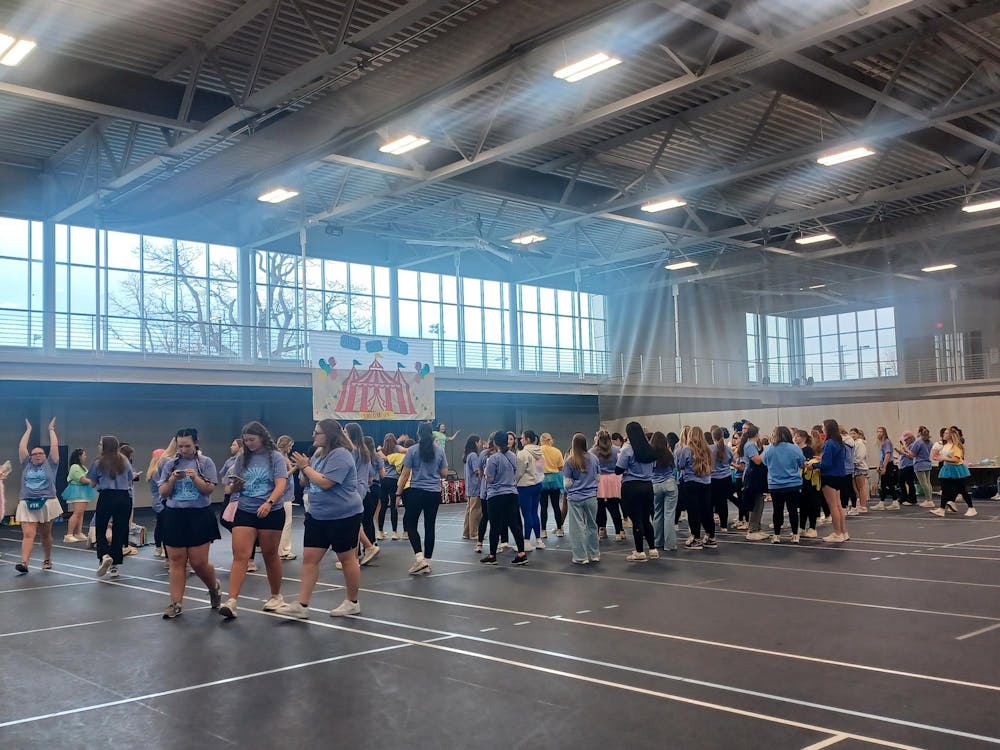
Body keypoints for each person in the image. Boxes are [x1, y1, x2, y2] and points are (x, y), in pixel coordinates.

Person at [278, 419, 365, 619]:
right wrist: (304, 471)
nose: (313, 435)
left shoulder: (341, 455)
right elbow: (306, 481)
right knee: (309, 559)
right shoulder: (318, 454)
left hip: (343, 515)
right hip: (317, 514)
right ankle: (302, 604)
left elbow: (326, 483)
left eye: (317, 432)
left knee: (347, 559)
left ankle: (352, 602)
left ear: (330, 435)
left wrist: (306, 467)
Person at [219, 421, 288, 620]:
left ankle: (276, 596)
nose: (248, 443)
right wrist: (234, 486)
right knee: (240, 555)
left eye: (252, 440)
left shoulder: (275, 457)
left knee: (270, 554)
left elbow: (280, 484)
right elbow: (230, 485)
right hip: (245, 510)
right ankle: (232, 600)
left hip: (271, 511)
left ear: (262, 437)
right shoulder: (242, 457)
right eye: (246, 440)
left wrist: (269, 502)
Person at [155, 428, 223, 618]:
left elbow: (208, 490)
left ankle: (214, 587)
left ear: (196, 444)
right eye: (180, 446)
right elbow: (163, 492)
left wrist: (195, 478)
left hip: (199, 515)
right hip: (174, 515)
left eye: (187, 446)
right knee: (176, 561)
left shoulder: (205, 462)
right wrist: (172, 479)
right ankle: (176, 603)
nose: (184, 450)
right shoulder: (169, 464)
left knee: (198, 562)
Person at [398, 422, 448, 575]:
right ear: (432, 433)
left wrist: (398, 493)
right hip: (433, 493)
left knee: (410, 523)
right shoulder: (439, 450)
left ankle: (420, 558)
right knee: (430, 526)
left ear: (418, 434)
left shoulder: (412, 450)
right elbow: (444, 473)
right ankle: (427, 561)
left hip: (417, 492)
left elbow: (405, 474)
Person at [14, 418, 60, 574]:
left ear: (45, 456)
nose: (38, 455)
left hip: (47, 502)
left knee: (45, 534)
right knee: (28, 534)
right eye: (34, 454)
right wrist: (28, 430)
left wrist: (51, 430)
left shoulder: (51, 464)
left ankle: (47, 559)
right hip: (27, 502)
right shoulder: (26, 464)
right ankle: (24, 563)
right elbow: (22, 447)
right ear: (30, 456)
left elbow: (54, 446)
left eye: (41, 453)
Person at [87, 435, 135, 579]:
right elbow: (130, 479)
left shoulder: (98, 462)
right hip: (124, 497)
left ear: (105, 446)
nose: (98, 446)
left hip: (107, 496)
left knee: (100, 528)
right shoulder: (124, 461)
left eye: (100, 444)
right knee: (119, 530)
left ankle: (104, 555)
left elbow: (92, 483)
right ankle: (115, 566)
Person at [480, 430, 527, 566]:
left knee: (495, 526)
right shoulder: (513, 456)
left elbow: (490, 478)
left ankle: (492, 555)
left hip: (496, 495)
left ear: (495, 442)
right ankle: (522, 553)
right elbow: (517, 473)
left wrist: (486, 474)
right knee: (514, 524)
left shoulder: (493, 459)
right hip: (512, 493)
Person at [615, 421, 657, 560]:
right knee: (646, 519)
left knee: (636, 519)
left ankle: (639, 551)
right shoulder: (650, 449)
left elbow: (618, 470)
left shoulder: (627, 450)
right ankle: (653, 549)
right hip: (648, 486)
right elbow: (654, 467)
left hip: (631, 487)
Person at [762, 426, 806, 543]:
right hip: (792, 484)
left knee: (777, 510)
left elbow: (765, 462)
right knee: (793, 510)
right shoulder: (795, 448)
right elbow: (802, 462)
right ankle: (795, 535)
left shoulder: (769, 449)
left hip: (775, 485)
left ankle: (776, 535)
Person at [345, 423, 380, 567]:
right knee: (356, 522)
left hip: (353, 488)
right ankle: (361, 552)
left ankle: (358, 554)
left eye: (345, 431)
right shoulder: (364, 450)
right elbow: (371, 475)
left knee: (351, 523)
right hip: (363, 488)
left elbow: (347, 469)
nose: (343, 434)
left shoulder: (352, 451)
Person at [562, 433, 600, 564]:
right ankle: (594, 554)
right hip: (591, 496)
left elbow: (566, 483)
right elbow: (598, 478)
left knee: (577, 527)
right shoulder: (594, 458)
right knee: (592, 525)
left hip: (575, 498)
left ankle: (580, 557)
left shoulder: (569, 461)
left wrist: (573, 488)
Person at [675, 426, 714, 550]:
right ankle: (711, 536)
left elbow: (680, 465)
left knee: (693, 511)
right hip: (706, 483)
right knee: (706, 510)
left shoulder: (687, 449)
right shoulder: (708, 449)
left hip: (691, 483)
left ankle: (696, 538)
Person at [816, 418, 849, 542]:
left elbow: (826, 464)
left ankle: (837, 533)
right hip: (840, 476)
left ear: (828, 428)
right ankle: (843, 532)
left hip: (829, 476)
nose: (822, 429)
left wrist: (813, 465)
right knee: (839, 505)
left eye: (823, 427)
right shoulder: (839, 443)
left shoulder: (829, 443)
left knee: (833, 507)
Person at [933, 426, 977, 517]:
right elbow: (942, 456)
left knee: (962, 490)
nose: (944, 435)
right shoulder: (945, 445)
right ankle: (941, 509)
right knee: (945, 489)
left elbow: (956, 459)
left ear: (951, 435)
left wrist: (943, 458)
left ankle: (971, 508)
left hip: (956, 470)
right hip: (947, 469)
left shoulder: (956, 446)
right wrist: (937, 457)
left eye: (946, 433)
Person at [737, 425, 768, 541]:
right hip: (752, 477)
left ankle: (757, 528)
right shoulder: (750, 445)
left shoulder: (752, 445)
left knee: (759, 503)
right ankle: (753, 530)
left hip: (756, 476)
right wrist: (767, 450)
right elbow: (757, 460)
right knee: (756, 503)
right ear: (756, 434)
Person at [515, 430, 545, 550]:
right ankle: (538, 540)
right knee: (534, 512)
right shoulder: (540, 452)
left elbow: (519, 472)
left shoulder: (522, 453)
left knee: (526, 514)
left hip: (525, 486)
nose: (521, 440)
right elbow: (541, 469)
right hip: (538, 484)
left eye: (522, 438)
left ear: (527, 439)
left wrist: (514, 482)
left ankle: (526, 541)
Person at [592, 430, 623, 541]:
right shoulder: (617, 450)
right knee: (614, 507)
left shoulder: (592, 451)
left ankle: (601, 530)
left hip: (599, 481)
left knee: (600, 507)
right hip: (614, 480)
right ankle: (619, 532)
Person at [650, 431, 678, 552]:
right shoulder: (669, 454)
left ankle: (657, 541)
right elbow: (674, 468)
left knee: (657, 513)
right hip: (669, 484)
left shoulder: (650, 455)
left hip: (655, 485)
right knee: (669, 515)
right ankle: (669, 544)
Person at [62, 447, 96, 542]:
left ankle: (78, 533)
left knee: (80, 513)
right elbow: (81, 479)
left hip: (83, 491)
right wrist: (93, 481)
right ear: (79, 456)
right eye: (84, 455)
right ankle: (69, 534)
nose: (85, 456)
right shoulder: (75, 467)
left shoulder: (82, 467)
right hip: (77, 490)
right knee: (77, 513)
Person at [794, 429, 821, 537]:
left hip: (809, 480)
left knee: (811, 503)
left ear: (804, 438)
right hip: (798, 480)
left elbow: (809, 463)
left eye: (798, 436)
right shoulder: (795, 449)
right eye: (795, 436)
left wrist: (804, 464)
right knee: (802, 504)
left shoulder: (809, 450)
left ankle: (812, 527)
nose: (795, 438)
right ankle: (801, 527)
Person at [538, 433, 565, 538]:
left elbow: (537, 467)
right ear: (551, 440)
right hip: (555, 480)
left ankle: (543, 531)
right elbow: (561, 467)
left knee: (543, 507)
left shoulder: (538, 451)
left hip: (542, 480)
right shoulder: (557, 451)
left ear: (541, 440)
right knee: (556, 506)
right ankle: (559, 529)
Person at [276, 435, 298, 561]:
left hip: (287, 494)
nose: (290, 448)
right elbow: (284, 475)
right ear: (285, 445)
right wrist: (296, 468)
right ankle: (284, 550)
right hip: (283, 496)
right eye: (290, 446)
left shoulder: (283, 457)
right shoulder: (280, 457)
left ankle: (282, 549)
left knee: (285, 523)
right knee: (286, 523)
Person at [709, 427, 734, 533]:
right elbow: (731, 460)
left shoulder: (709, 449)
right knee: (723, 502)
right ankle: (724, 525)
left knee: (711, 503)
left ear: (712, 437)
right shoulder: (727, 449)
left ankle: (710, 527)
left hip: (713, 479)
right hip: (726, 478)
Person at [378, 434, 401, 540]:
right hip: (393, 480)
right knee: (393, 506)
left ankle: (380, 531)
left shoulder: (380, 451)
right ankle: (394, 532)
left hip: (383, 479)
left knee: (383, 506)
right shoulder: (397, 451)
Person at [870, 426, 899, 511]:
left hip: (888, 465)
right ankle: (889, 502)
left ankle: (886, 503)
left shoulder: (886, 442)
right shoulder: (882, 443)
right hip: (885, 464)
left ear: (884, 433)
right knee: (885, 484)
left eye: (881, 432)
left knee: (887, 484)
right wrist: (879, 465)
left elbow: (887, 455)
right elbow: (882, 456)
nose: (879, 433)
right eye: (878, 431)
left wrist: (884, 467)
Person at [461, 435, 483, 542]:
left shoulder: (468, 455)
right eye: (479, 442)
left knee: (469, 510)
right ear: (475, 443)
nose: (480, 444)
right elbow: (477, 471)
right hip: (475, 487)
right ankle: (474, 532)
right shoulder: (474, 455)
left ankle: (466, 532)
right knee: (475, 511)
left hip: (470, 487)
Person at [896, 431, 918, 506]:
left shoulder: (913, 445)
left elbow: (912, 457)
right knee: (901, 482)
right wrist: (900, 452)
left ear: (911, 438)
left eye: (906, 439)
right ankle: (903, 497)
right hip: (902, 465)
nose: (905, 440)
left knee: (910, 483)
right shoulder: (906, 445)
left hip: (909, 466)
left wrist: (903, 453)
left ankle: (912, 499)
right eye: (904, 439)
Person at [849, 428, 869, 513]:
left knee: (861, 487)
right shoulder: (853, 443)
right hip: (854, 467)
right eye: (851, 433)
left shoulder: (860, 443)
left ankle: (863, 506)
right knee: (855, 487)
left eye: (854, 433)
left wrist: (853, 462)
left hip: (860, 467)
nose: (852, 435)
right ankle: (859, 504)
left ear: (858, 434)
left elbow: (860, 456)